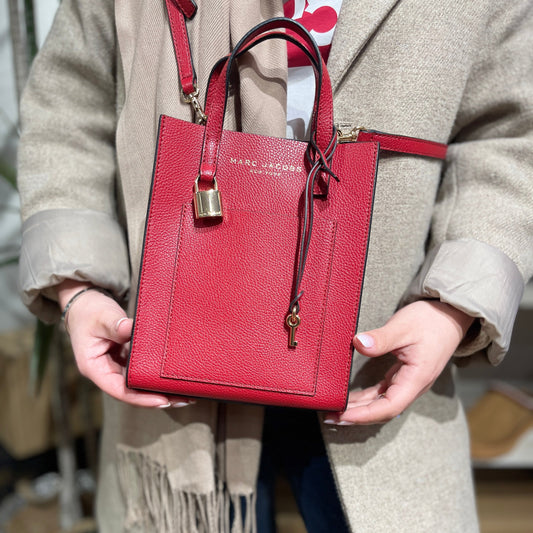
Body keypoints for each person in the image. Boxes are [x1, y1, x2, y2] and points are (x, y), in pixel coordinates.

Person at [16, 1, 533, 532]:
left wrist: (452, 306)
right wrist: (77, 287)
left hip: (377, 355)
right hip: (179, 367)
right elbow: (70, 107)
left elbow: (511, 133)